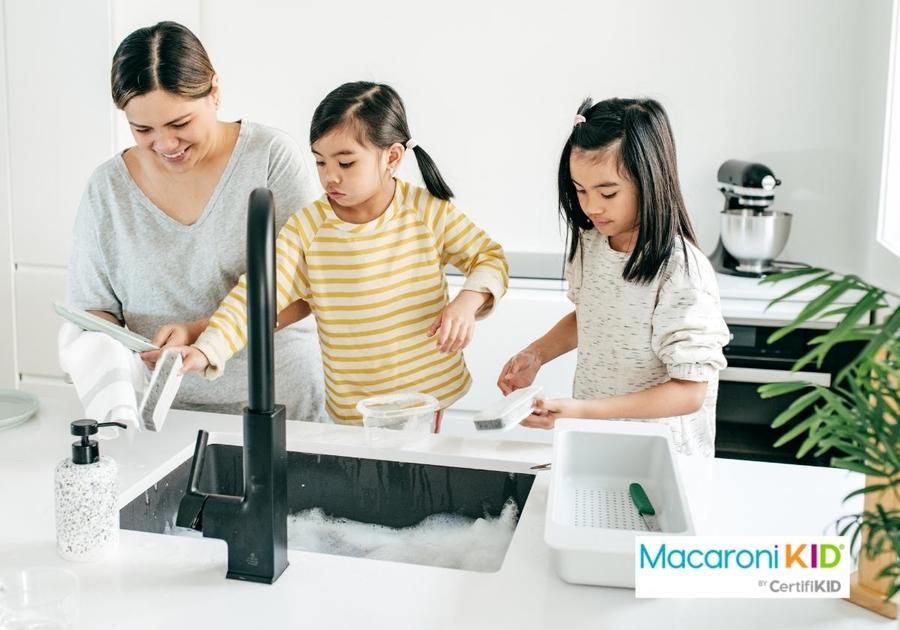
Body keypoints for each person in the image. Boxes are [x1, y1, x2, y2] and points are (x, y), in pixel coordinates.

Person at [176, 81, 509, 427]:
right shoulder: (307, 229)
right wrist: (207, 348)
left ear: (391, 157)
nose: (329, 177)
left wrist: (467, 302)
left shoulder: (426, 212)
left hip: (427, 396)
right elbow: (256, 296)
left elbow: (489, 258)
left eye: (346, 163)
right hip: (355, 407)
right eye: (320, 162)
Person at [66, 21, 325, 420]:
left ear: (215, 92)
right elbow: (93, 310)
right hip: (161, 414)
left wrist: (201, 334)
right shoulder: (107, 189)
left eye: (180, 123)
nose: (165, 144)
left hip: (278, 407)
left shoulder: (270, 158)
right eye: (143, 129)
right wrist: (106, 355)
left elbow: (307, 289)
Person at [497, 97, 729, 457]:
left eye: (607, 192)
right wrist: (535, 354)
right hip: (597, 444)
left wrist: (583, 412)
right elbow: (592, 316)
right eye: (580, 190)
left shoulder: (681, 271)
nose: (592, 206)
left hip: (662, 458)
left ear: (649, 180)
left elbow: (690, 391)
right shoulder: (592, 243)